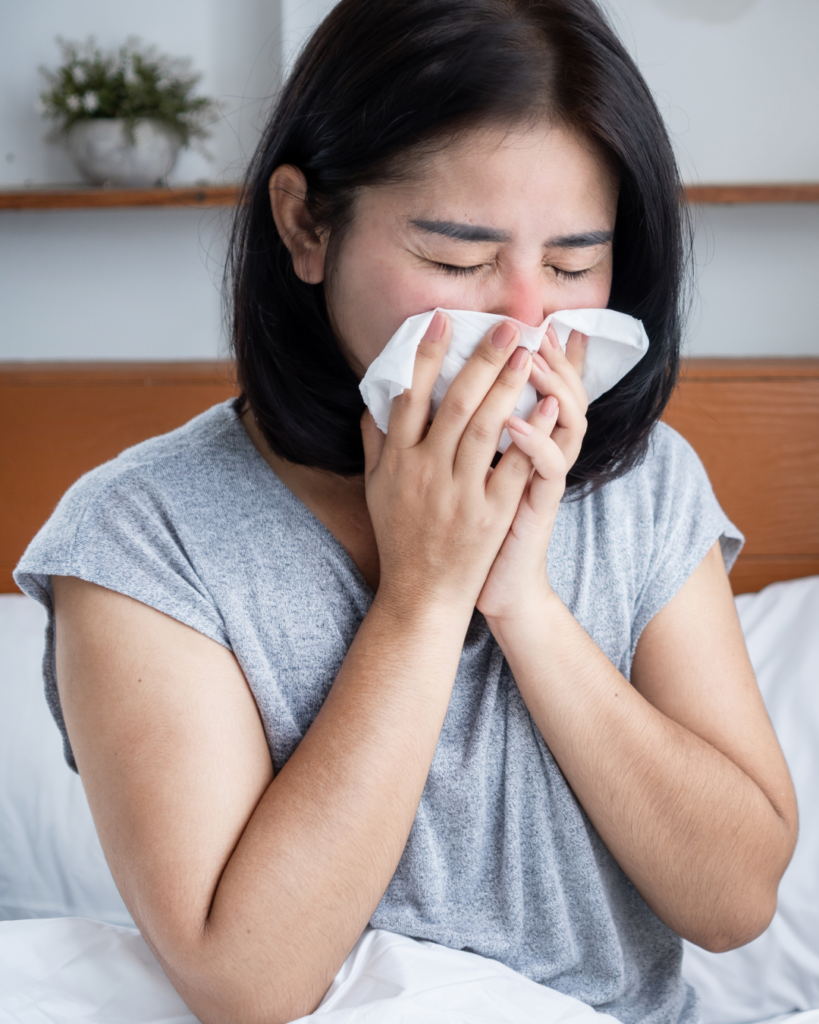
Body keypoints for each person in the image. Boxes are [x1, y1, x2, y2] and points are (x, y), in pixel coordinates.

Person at [15, 1, 797, 1022]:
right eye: (458, 260)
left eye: (570, 266)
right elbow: (247, 979)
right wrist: (425, 596)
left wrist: (524, 604)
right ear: (306, 224)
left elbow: (736, 901)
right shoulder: (145, 536)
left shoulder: (643, 483)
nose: (525, 328)